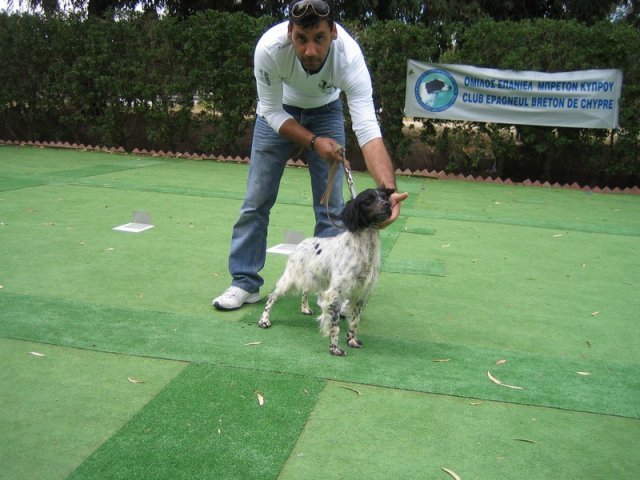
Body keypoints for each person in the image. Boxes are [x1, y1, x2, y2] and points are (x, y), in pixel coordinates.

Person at [213, 0, 408, 311]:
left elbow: (368, 130)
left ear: (333, 33)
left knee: (330, 209)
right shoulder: (269, 49)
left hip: (326, 110)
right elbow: (272, 111)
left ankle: (331, 290)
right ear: (290, 33)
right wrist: (314, 141)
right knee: (256, 199)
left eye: (319, 38)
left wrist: (389, 192)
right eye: (301, 39)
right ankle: (244, 283)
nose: (310, 51)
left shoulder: (349, 58)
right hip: (276, 113)